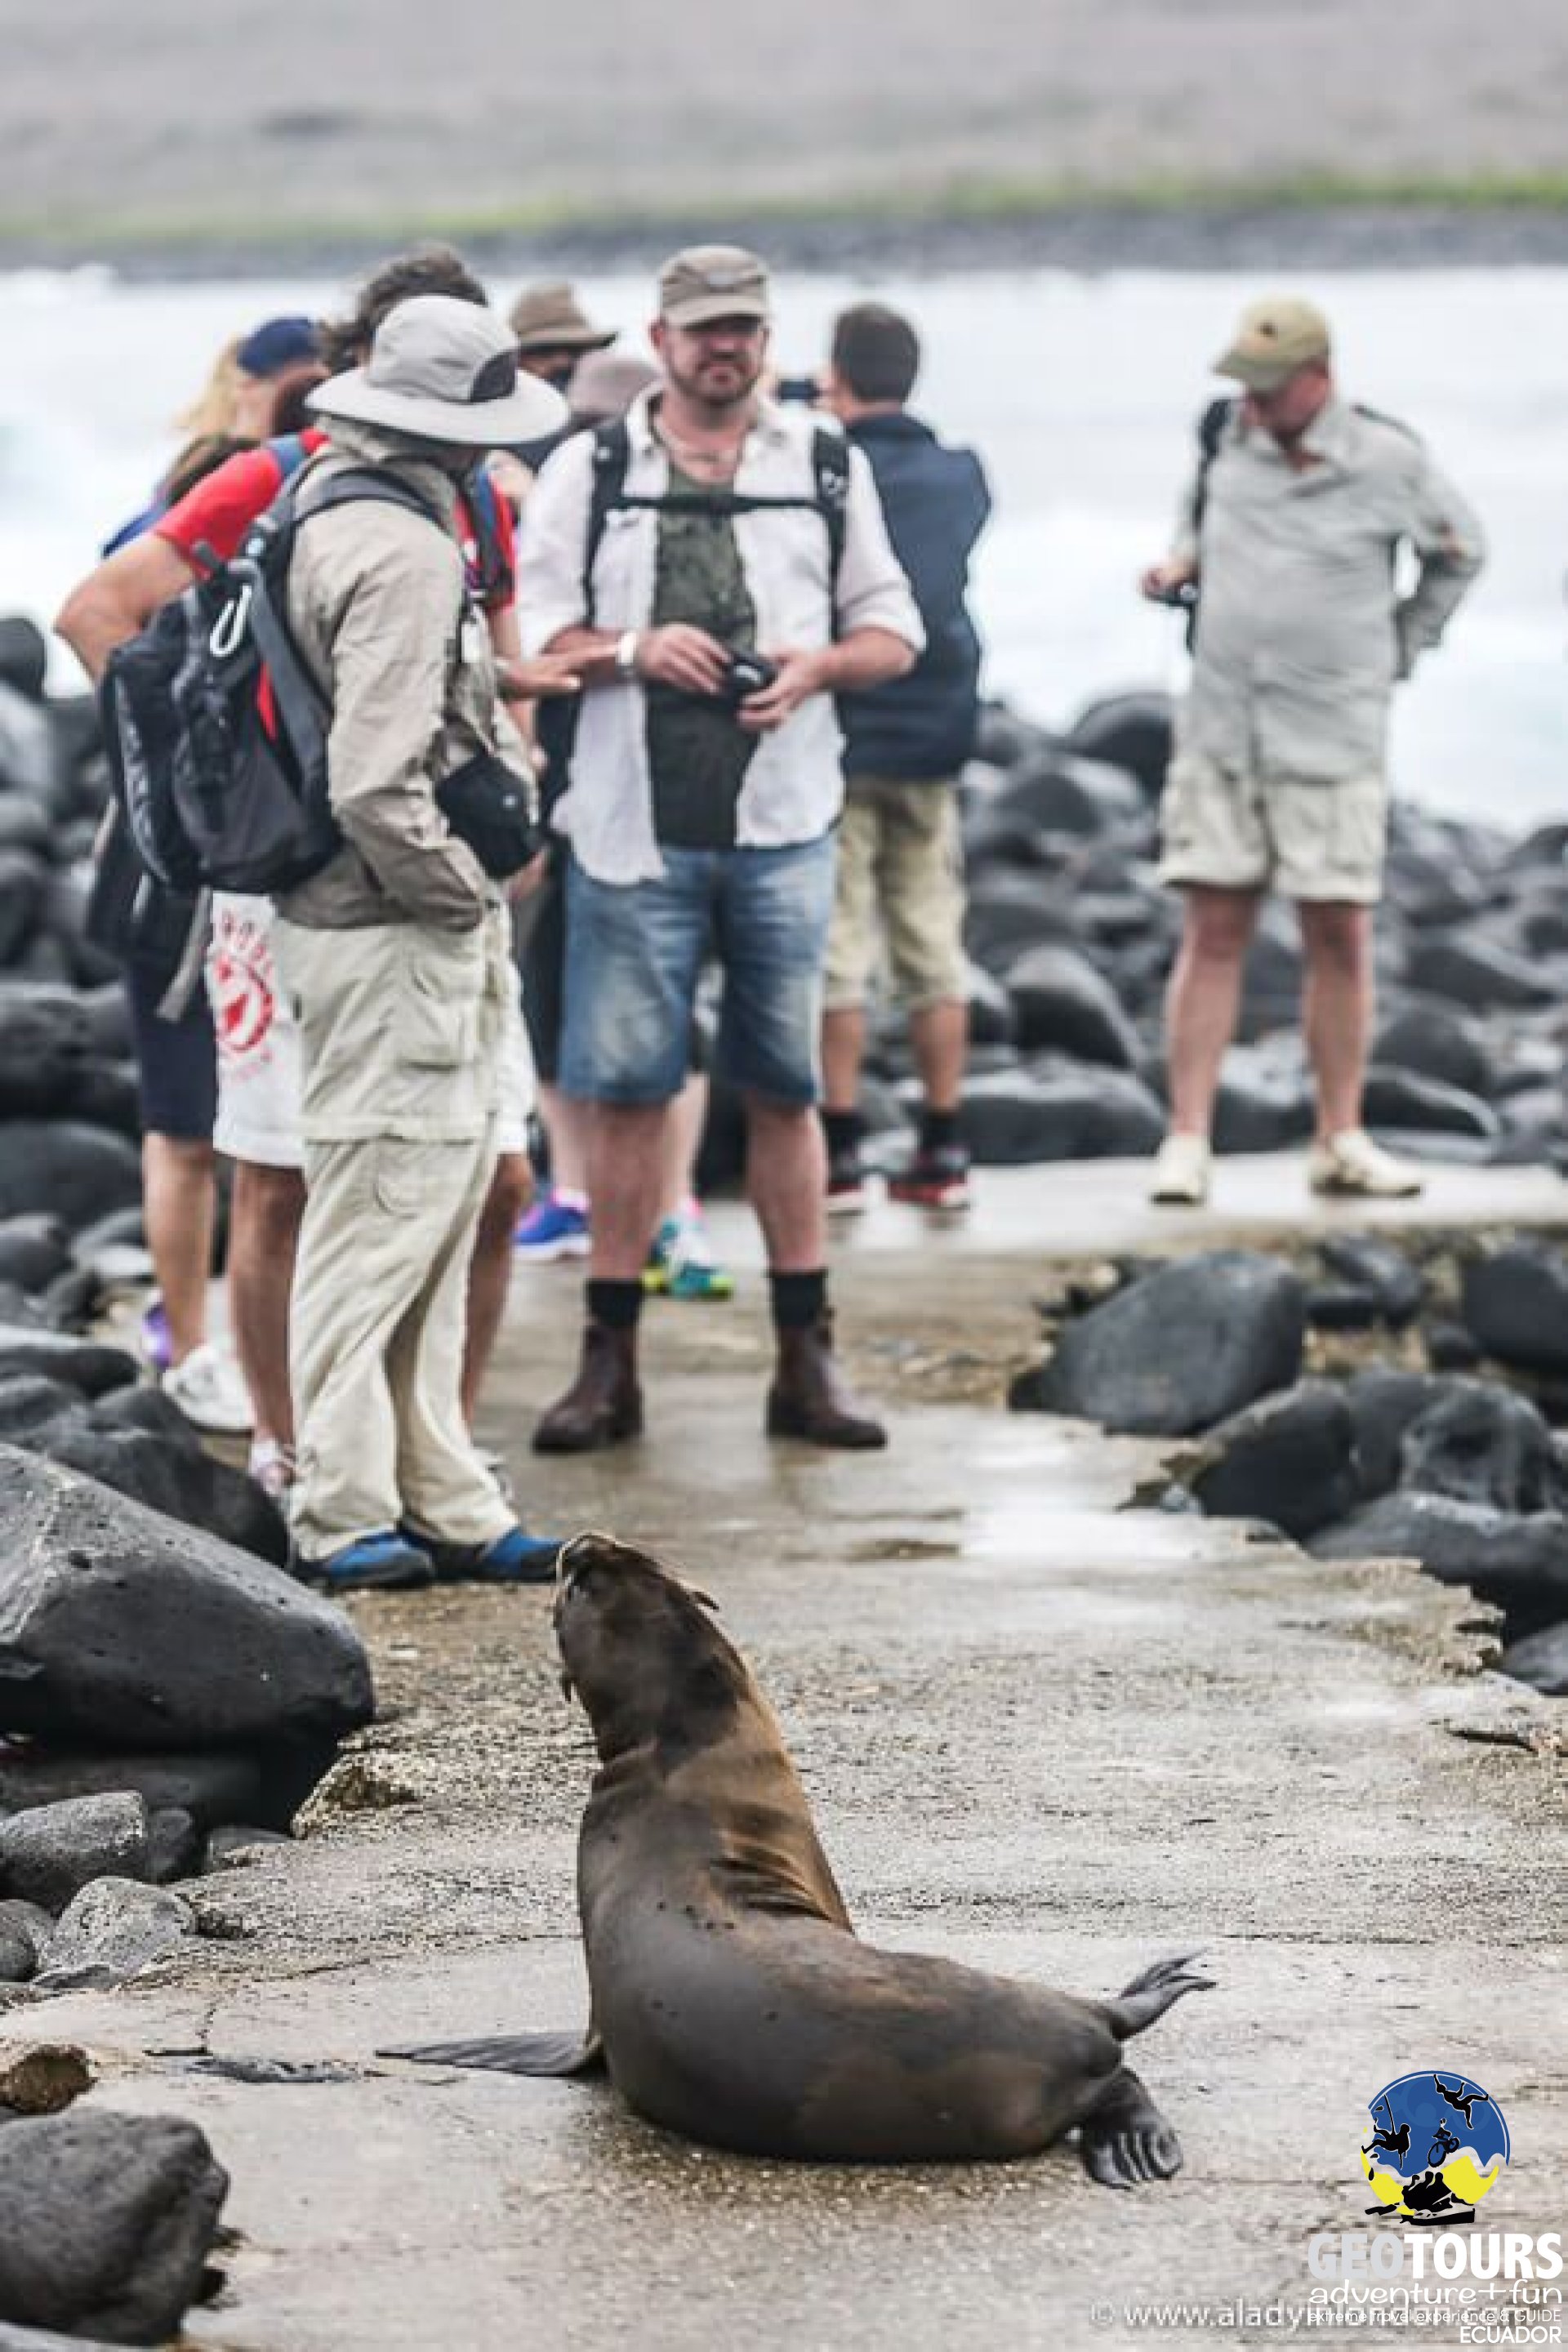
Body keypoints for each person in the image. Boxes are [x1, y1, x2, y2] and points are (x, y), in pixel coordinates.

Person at [56, 248, 562, 1497]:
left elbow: (488, 657)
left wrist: (516, 778)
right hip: (285, 887)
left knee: (497, 1179)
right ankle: (289, 1445)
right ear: (367, 364)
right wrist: (204, 788)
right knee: (277, 1177)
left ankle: (439, 1442)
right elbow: (98, 613)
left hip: (433, 871)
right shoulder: (270, 477)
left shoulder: (476, 497)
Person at [518, 244, 923, 1454]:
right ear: (660, 338)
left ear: (766, 336)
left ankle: (808, 1361)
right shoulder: (591, 468)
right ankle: (609, 1364)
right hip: (628, 828)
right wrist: (635, 650)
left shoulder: (826, 463)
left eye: (742, 327)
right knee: (626, 1094)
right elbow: (535, 638)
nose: (724, 348)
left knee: (788, 1091)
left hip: (785, 825)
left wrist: (817, 668)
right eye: (703, 330)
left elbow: (893, 628)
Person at [275, 294, 567, 1590]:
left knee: (430, 1214)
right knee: (381, 1218)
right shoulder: (403, 552)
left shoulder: (327, 504)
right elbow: (375, 783)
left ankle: (439, 1490)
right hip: (390, 928)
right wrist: (463, 894)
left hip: (360, 924)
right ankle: (344, 1510)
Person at [1140, 296, 1485, 1206]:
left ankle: (1341, 1137)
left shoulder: (1388, 460)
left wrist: (1400, 651)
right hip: (1223, 730)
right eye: (1245, 388)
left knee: (1339, 934)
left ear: (1318, 378)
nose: (1252, 404)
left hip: (1332, 736)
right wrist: (1178, 567)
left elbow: (1461, 553)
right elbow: (1193, 529)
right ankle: (1186, 1139)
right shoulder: (1222, 441)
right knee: (1212, 929)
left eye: (1268, 388)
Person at [65, 316, 327, 1438]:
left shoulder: (308, 503)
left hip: (262, 864)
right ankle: (186, 1338)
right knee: (185, 1123)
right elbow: (103, 625)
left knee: (259, 1131)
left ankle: (253, 1343)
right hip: (168, 870)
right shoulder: (180, 515)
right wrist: (176, 772)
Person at [815, 301, 991, 1213]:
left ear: (838, 374)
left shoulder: (824, 471)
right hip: (936, 726)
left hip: (844, 725)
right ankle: (943, 1141)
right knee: (932, 939)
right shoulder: (961, 474)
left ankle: (840, 1149)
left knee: (839, 944)